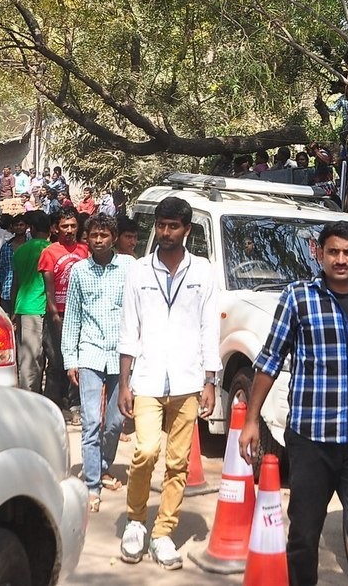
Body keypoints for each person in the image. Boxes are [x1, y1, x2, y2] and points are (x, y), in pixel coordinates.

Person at [240, 220, 348, 586]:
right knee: (304, 537)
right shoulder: (298, 298)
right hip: (311, 439)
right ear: (320, 253)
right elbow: (269, 360)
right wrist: (251, 420)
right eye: (334, 252)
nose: (341, 260)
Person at [117, 197, 220, 570]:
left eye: (173, 226)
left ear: (186, 230)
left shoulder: (204, 272)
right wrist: (124, 381)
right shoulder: (139, 271)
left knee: (178, 462)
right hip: (145, 378)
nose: (165, 232)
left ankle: (162, 532)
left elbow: (211, 328)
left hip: (188, 379)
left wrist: (210, 380)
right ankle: (134, 521)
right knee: (145, 451)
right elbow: (129, 328)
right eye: (161, 225)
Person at [63, 213, 133, 513]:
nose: (99, 240)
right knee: (91, 421)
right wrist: (70, 358)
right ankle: (92, 485)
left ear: (113, 238)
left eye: (104, 235)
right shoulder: (79, 271)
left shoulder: (130, 268)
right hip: (89, 353)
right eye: (94, 236)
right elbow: (73, 317)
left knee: (116, 421)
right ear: (87, 239)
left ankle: (104, 466)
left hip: (122, 356)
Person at [39, 208, 89, 414]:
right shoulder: (49, 252)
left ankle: (74, 402)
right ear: (56, 228)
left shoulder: (85, 251)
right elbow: (49, 289)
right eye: (64, 226)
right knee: (56, 361)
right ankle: (53, 404)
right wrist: (54, 316)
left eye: (73, 226)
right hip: (57, 314)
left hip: (82, 315)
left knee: (78, 360)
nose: (69, 230)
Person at [11, 211, 52, 393]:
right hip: (45, 307)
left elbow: (15, 283)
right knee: (45, 357)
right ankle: (41, 397)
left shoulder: (20, 251)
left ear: (32, 229)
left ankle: (28, 395)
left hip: (25, 306)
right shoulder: (52, 250)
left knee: (28, 357)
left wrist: (13, 309)